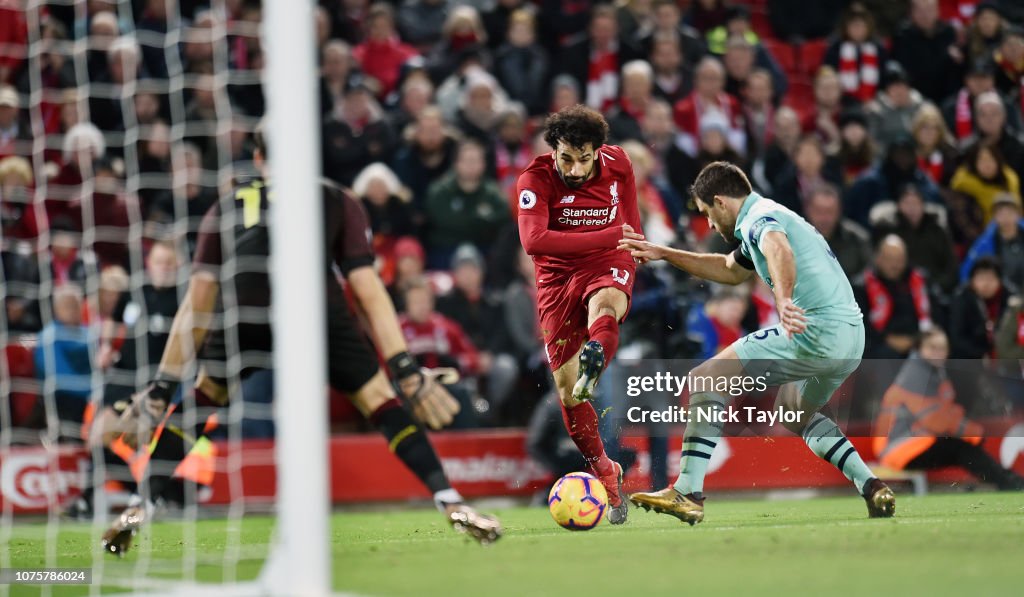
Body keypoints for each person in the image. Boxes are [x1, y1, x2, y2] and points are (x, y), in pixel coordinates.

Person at [99, 125, 501, 556]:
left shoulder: (227, 204)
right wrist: (404, 368)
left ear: (257, 159)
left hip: (245, 312)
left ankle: (140, 504)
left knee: (204, 397)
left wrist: (162, 386)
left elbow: (196, 305)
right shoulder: (334, 196)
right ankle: (449, 500)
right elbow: (367, 289)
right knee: (379, 399)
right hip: (314, 311)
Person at [621, 161, 895, 523]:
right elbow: (729, 271)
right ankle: (873, 486)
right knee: (795, 413)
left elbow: (779, 249)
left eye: (708, 214)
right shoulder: (766, 215)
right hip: (851, 339)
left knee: (706, 379)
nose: (714, 226)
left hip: (815, 329)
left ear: (720, 203)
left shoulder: (758, 218)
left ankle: (686, 491)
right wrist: (666, 253)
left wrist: (782, 300)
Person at [516, 105, 645, 525]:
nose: (574, 168)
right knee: (569, 394)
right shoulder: (534, 180)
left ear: (598, 151)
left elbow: (630, 217)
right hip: (555, 279)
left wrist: (633, 250)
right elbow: (534, 242)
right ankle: (606, 470)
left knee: (606, 302)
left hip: (607, 260)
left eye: (583, 158)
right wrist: (611, 233)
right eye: (566, 157)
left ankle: (597, 350)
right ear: (553, 149)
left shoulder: (619, 162)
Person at [873, 328, 1024, 490]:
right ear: (919, 349)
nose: (938, 352)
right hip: (900, 449)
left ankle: (1006, 481)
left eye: (942, 348)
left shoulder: (931, 372)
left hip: (909, 444)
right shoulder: (916, 376)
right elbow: (935, 420)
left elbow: (946, 411)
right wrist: (971, 431)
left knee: (963, 447)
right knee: (961, 449)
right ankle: (1009, 483)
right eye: (932, 347)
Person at [853, 235, 934, 359]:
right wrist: (887, 339)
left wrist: (918, 339)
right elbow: (859, 328)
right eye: (889, 259)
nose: (895, 265)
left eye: (899, 259)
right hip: (877, 346)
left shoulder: (920, 280)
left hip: (918, 341)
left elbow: (935, 314)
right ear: (878, 259)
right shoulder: (861, 286)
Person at [961, 193, 1024, 288]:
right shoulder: (984, 243)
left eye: (1010, 212)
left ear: (1018, 214)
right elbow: (967, 271)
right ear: (994, 217)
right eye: (1001, 213)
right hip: (1001, 295)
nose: (1006, 218)